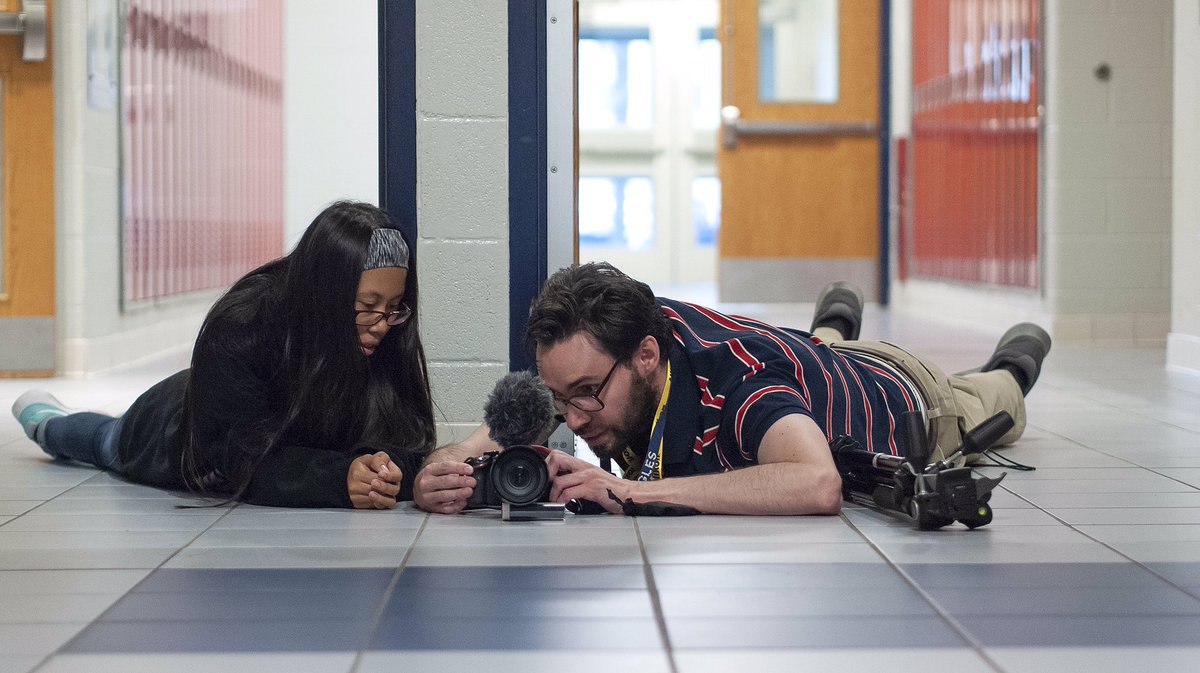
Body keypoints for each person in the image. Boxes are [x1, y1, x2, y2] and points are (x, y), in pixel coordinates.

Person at [412, 262, 1050, 517]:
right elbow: (470, 450)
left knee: (987, 400)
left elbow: (817, 483)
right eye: (560, 401)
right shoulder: (608, 340)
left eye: (587, 396)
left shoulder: (735, 385)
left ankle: (1016, 362)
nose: (572, 421)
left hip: (904, 392)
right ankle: (829, 328)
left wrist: (632, 489)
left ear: (646, 358)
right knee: (810, 353)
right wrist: (437, 476)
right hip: (802, 364)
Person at [11, 201, 436, 509]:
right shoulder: (244, 322)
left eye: (392, 308)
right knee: (103, 440)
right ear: (324, 295)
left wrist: (388, 468)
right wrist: (337, 479)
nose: (382, 324)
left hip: (254, 421)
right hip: (169, 426)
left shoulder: (387, 331)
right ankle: (45, 422)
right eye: (365, 306)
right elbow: (238, 459)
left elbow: (408, 435)